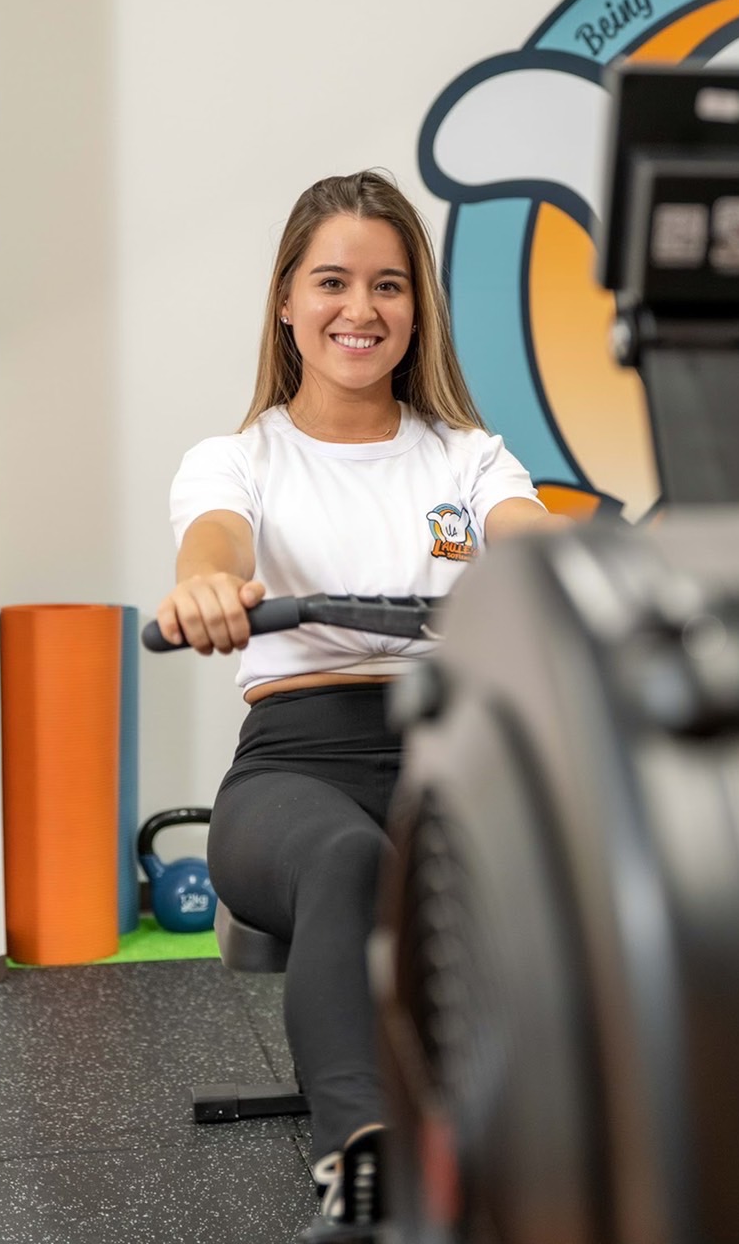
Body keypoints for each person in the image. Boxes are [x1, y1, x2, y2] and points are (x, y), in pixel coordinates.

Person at [156, 170, 560, 1237]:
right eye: (332, 281)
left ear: (416, 308)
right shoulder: (237, 460)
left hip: (451, 750)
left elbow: (527, 537)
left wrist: (571, 575)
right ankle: (364, 1154)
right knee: (349, 862)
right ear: (288, 300)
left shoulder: (467, 456)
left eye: (389, 284)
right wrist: (207, 587)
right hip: (295, 765)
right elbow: (215, 541)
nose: (361, 308)